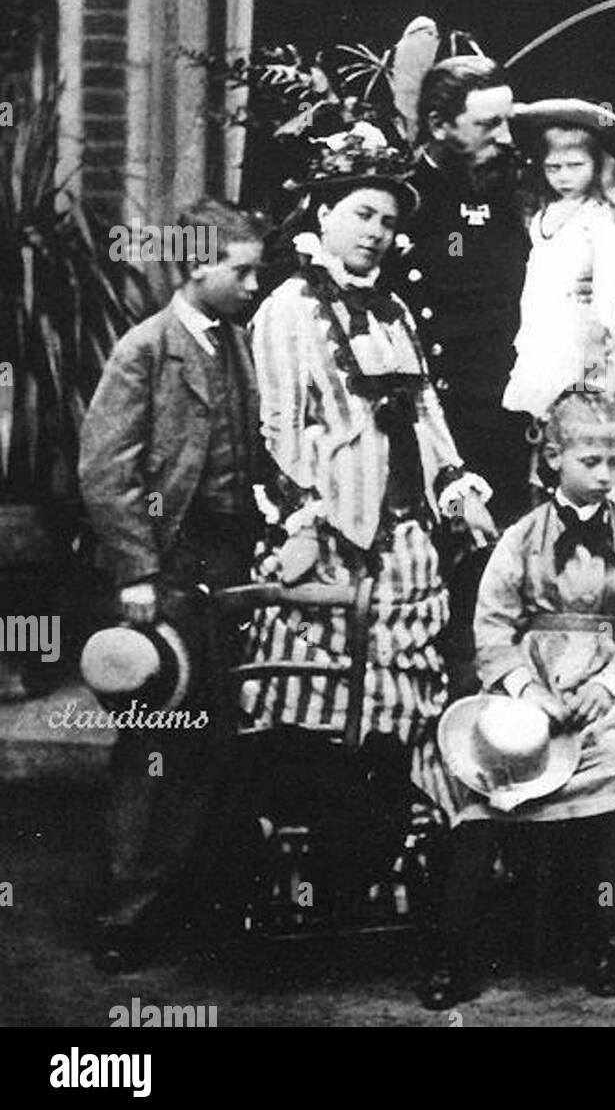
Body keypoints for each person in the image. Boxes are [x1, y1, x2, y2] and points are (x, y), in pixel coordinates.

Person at [241, 127, 496, 821]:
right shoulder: (289, 311)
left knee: (406, 722)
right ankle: (321, 872)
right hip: (329, 543)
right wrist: (300, 525)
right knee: (324, 716)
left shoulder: (394, 311)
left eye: (388, 220)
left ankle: (385, 867)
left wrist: (455, 488)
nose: (378, 232)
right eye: (362, 213)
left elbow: (427, 419)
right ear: (322, 214)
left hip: (408, 551)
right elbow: (276, 432)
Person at [417, 389, 615, 1008]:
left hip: (604, 697)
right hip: (529, 695)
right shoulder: (521, 536)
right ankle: (454, 951)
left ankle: (610, 940)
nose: (606, 474)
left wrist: (608, 686)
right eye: (592, 461)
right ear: (554, 457)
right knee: (486, 788)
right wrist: (527, 691)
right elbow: (491, 629)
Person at [79, 198, 266, 972]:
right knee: (156, 743)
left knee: (216, 742)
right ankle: (124, 917)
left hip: (225, 570)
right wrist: (139, 574)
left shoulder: (235, 343)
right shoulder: (145, 349)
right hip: (167, 572)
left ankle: (186, 904)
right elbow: (105, 471)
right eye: (242, 270)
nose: (255, 285)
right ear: (197, 266)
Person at [390, 52, 532, 523]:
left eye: (508, 121)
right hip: (432, 423)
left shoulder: (522, 193)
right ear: (438, 124)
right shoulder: (400, 202)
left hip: (510, 420)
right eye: (488, 124)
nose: (506, 137)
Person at [503, 99, 615, 420]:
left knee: (583, 417)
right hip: (544, 333)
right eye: (554, 167)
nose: (564, 177)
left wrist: (598, 342)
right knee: (539, 421)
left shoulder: (605, 216)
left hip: (586, 338)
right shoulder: (542, 214)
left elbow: (611, 287)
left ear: (597, 164)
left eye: (575, 166)